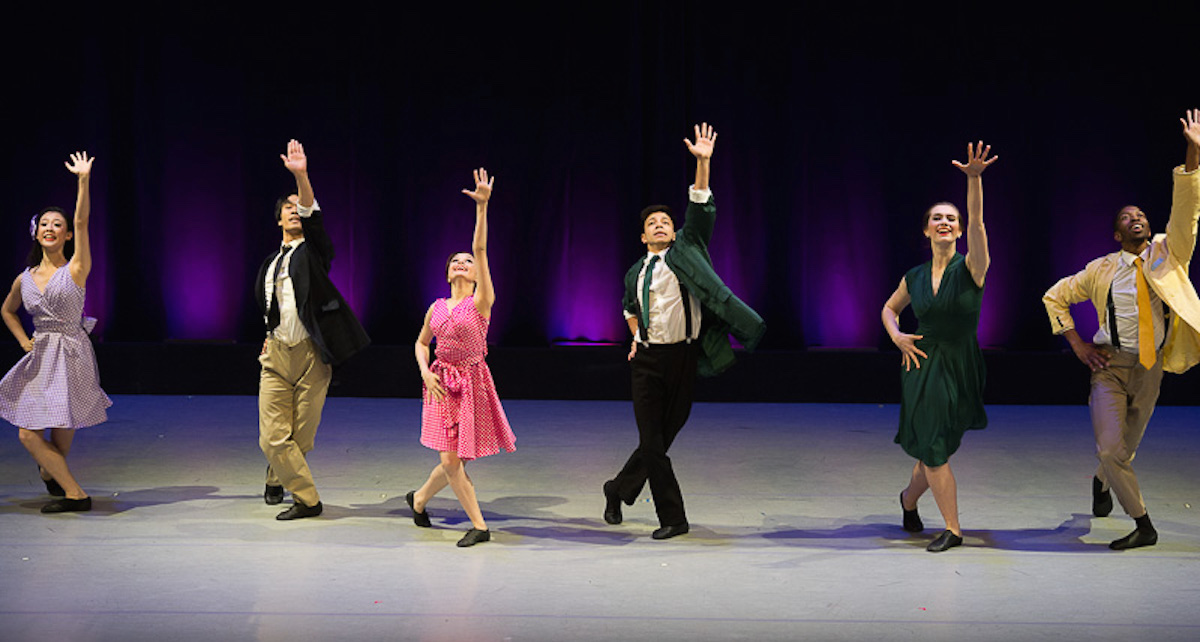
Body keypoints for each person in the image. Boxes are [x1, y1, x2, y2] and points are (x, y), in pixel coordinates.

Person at [1042, 111, 1200, 550]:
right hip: (1109, 367)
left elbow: (1187, 212)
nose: (1137, 218)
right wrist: (1076, 344)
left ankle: (1102, 481)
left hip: (1151, 368)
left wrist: (1194, 153)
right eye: (1128, 216)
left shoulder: (1169, 255)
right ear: (1116, 233)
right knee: (1112, 450)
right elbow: (1054, 296)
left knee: (1120, 453)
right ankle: (1144, 524)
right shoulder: (1100, 270)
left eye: (1142, 214)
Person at [602, 124, 766, 540]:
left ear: (674, 231)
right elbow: (628, 308)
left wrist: (703, 162)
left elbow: (700, 209)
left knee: (665, 434)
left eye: (665, 222)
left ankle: (617, 488)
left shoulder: (688, 250)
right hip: (648, 361)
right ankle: (673, 518)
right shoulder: (634, 272)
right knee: (652, 442)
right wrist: (635, 336)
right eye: (652, 223)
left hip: (685, 358)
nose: (660, 225)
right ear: (642, 236)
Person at [881, 141, 997, 552]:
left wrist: (974, 179)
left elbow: (980, 223)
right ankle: (953, 528)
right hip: (922, 363)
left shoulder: (972, 267)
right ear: (926, 229)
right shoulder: (913, 276)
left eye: (951, 218)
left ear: (959, 229)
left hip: (961, 363)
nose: (944, 222)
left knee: (936, 446)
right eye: (937, 218)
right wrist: (896, 336)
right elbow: (889, 309)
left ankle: (908, 499)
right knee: (933, 447)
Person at [255, 139, 369, 520]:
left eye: (296, 208)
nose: (293, 212)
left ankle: (276, 476)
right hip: (275, 354)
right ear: (277, 220)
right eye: (286, 208)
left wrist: (301, 175)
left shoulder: (314, 252)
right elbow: (273, 307)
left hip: (311, 354)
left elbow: (311, 213)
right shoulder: (269, 263)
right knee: (272, 436)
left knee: (300, 437)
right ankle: (308, 499)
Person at [406, 168, 515, 548]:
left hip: (471, 383)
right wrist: (425, 371)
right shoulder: (435, 307)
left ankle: (419, 500)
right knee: (451, 461)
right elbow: (421, 343)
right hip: (440, 385)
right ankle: (480, 526)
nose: (462, 264)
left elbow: (481, 250)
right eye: (456, 261)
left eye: (467, 263)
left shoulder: (481, 303)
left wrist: (482, 209)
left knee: (455, 461)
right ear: (447, 270)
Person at [0, 151, 111, 513]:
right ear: (36, 231)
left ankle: (54, 476)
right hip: (41, 356)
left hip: (72, 354)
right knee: (28, 433)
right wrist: (23, 341)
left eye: (57, 224)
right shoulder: (25, 278)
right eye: (44, 223)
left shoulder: (77, 268)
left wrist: (83, 180)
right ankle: (76, 494)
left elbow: (83, 220)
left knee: (61, 441)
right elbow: (7, 310)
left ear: (65, 235)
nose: (50, 227)